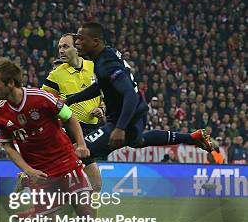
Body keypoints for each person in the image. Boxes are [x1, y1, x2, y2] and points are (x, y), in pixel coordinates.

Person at [0, 58, 117, 222]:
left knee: (87, 215)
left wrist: (80, 144)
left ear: (10, 83)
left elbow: (70, 118)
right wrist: (28, 170)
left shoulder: (41, 98)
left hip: (67, 163)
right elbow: (8, 146)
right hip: (42, 174)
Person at [66, 22, 217, 160]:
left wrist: (120, 128)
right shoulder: (106, 54)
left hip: (126, 118)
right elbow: (100, 86)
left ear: (95, 41)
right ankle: (192, 138)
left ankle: (81, 189)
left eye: (81, 39)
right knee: (138, 141)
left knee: (80, 151)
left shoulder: (106, 64)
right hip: (136, 114)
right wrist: (69, 100)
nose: (77, 43)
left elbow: (129, 94)